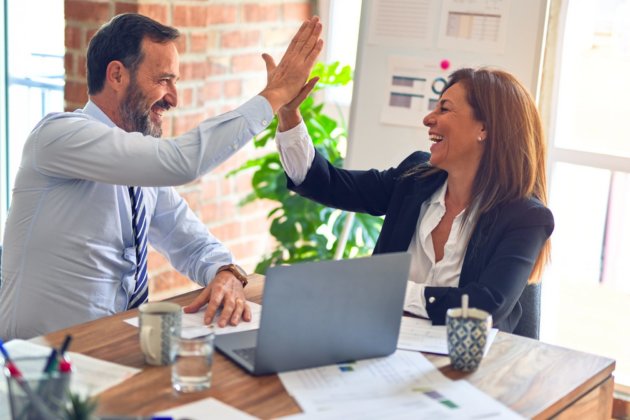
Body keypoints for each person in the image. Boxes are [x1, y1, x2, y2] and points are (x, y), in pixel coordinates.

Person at [0, 13, 323, 339]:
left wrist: (225, 272)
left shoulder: (138, 173)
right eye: (163, 80)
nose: (174, 98)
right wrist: (275, 95)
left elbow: (192, 243)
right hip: (37, 364)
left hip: (111, 351)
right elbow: (182, 162)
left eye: (175, 82)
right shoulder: (59, 136)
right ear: (116, 75)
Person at [274, 67, 554, 332]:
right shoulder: (414, 179)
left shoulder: (525, 217)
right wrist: (289, 114)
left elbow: (485, 307)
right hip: (384, 346)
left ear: (484, 129)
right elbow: (328, 184)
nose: (428, 119)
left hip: (471, 367)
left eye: (444, 108)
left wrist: (390, 290)